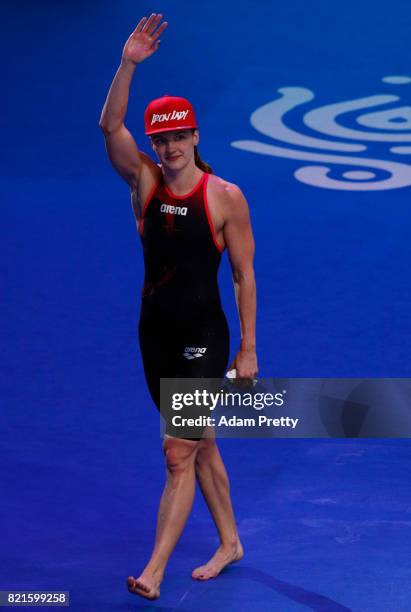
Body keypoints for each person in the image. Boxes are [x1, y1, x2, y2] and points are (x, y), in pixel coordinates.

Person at [99, 13, 258, 600]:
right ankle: (230, 542)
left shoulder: (224, 198)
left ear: (195, 136)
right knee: (200, 442)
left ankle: (155, 570)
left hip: (203, 339)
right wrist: (128, 64)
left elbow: (243, 275)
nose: (168, 148)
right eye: (159, 139)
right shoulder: (143, 183)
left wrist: (247, 349)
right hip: (155, 335)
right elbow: (109, 125)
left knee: (175, 452)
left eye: (177, 137)